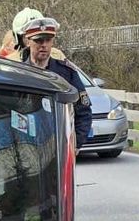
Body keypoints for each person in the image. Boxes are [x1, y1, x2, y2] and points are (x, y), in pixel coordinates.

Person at [19, 16, 91, 147]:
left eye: (48, 40)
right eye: (39, 41)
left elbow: (83, 111)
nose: (44, 45)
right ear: (28, 41)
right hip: (26, 145)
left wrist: (75, 145)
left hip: (59, 146)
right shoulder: (18, 73)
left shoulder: (67, 73)